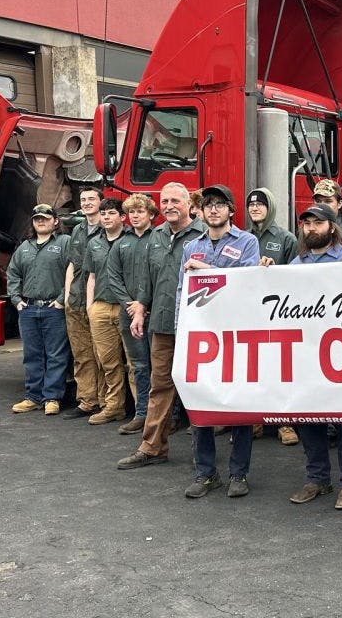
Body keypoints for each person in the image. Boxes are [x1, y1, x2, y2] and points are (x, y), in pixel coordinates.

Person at [178, 185, 262, 499]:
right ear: (200, 211)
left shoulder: (247, 241)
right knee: (201, 405)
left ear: (230, 210)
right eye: (208, 205)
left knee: (238, 407)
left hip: (238, 335)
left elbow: (246, 282)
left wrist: (206, 269)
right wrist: (181, 329)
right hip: (202, 337)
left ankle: (238, 474)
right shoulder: (191, 246)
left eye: (220, 204)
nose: (213, 210)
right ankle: (206, 473)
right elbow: (181, 292)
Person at [116, 183, 205, 471]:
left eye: (175, 201)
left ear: (189, 204)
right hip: (163, 324)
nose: (168, 206)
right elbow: (147, 277)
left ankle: (205, 455)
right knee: (160, 385)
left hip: (197, 327)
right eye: (164, 201)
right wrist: (140, 308)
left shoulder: (203, 235)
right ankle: (152, 447)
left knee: (200, 387)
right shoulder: (155, 236)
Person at [286, 204, 342, 509]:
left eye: (317, 223)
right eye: (306, 223)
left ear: (332, 227)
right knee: (309, 419)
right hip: (306, 354)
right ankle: (317, 478)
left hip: (341, 353)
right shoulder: (296, 263)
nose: (310, 228)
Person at [246, 187, 301, 447]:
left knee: (280, 370)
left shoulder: (286, 238)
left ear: (271, 208)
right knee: (254, 368)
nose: (255, 208)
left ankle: (285, 421)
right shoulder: (241, 237)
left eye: (260, 204)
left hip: (279, 313)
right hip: (251, 313)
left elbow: (295, 276)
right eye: (251, 204)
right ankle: (256, 418)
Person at [5, 204, 72, 415]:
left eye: (45, 218)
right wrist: (16, 300)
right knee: (32, 355)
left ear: (55, 221)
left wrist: (62, 299)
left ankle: (52, 397)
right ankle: (33, 397)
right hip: (29, 309)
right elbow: (13, 274)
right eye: (36, 219)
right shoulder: (24, 247)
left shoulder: (65, 243)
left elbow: (74, 271)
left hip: (54, 308)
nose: (40, 221)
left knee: (56, 354)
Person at [104, 193, 156, 435]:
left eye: (140, 211)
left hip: (154, 312)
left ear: (151, 214)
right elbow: (113, 277)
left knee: (161, 366)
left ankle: (169, 416)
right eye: (131, 212)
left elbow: (159, 275)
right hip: (129, 313)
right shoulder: (120, 243)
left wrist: (143, 304)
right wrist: (130, 304)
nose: (135, 216)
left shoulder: (159, 239)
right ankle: (142, 414)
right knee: (139, 366)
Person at [83, 198, 129, 425]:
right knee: (108, 362)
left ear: (123, 217)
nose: (106, 217)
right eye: (104, 214)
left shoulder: (133, 238)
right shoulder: (94, 243)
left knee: (134, 362)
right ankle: (114, 407)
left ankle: (143, 411)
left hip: (126, 307)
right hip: (100, 307)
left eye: (111, 213)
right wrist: (90, 306)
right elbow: (90, 277)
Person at [60, 186, 104, 420]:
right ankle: (88, 400)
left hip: (98, 299)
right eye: (83, 199)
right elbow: (71, 264)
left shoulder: (108, 228)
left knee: (103, 354)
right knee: (82, 353)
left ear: (100, 202)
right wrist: (67, 296)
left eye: (91, 199)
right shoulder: (77, 230)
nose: (87, 203)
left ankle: (108, 403)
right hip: (76, 300)